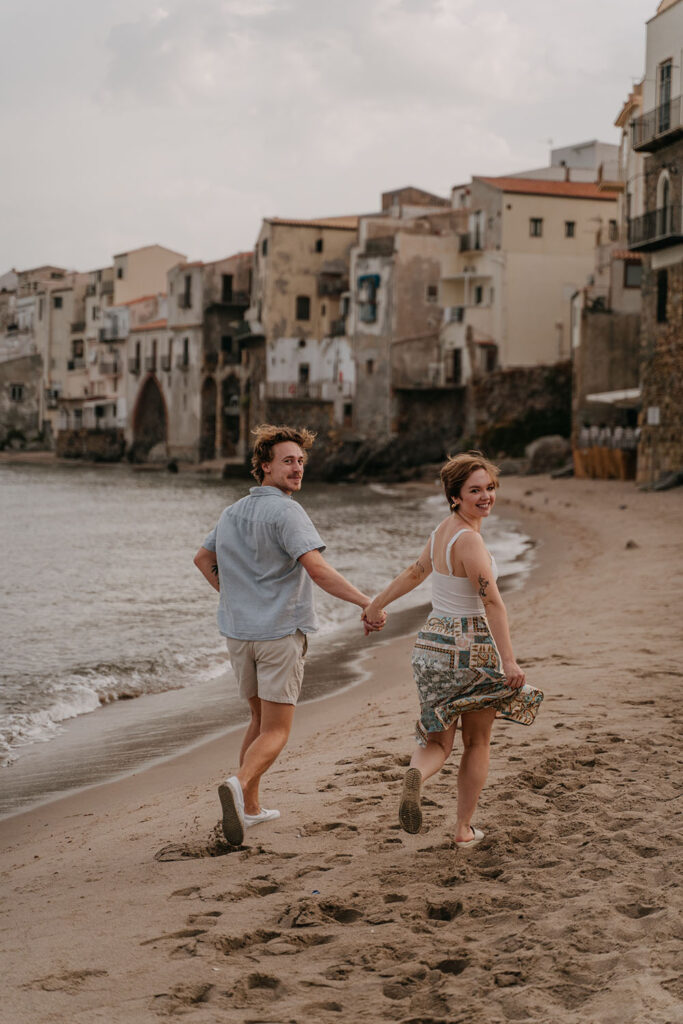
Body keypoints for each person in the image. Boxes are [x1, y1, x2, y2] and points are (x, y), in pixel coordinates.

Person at [194, 424, 385, 847]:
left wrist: (234, 594)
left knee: (259, 722)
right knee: (277, 730)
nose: (297, 468)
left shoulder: (232, 512)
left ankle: (251, 807)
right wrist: (366, 602)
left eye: (300, 461)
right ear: (264, 466)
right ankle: (238, 783)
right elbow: (317, 570)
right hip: (278, 633)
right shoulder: (287, 511)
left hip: (240, 633)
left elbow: (203, 558)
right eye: (287, 461)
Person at [362, 452, 543, 848]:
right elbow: (493, 603)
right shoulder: (470, 541)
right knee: (476, 742)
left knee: (437, 742)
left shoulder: (441, 532)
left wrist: (376, 605)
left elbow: (414, 573)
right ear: (455, 496)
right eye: (474, 490)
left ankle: (417, 776)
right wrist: (508, 660)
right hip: (471, 648)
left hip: (430, 647)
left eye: (489, 488)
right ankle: (463, 829)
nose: (485, 497)